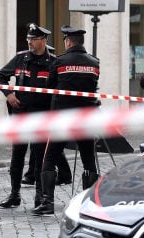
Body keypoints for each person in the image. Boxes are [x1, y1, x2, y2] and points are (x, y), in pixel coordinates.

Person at [34, 25, 100, 216]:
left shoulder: (60, 62)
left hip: (62, 118)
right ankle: (90, 204)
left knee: (50, 158)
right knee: (89, 160)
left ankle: (47, 203)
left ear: (69, 42)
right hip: (85, 120)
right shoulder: (94, 62)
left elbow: (50, 85)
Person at [0, 23, 54, 209]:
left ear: (43, 40)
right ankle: (14, 195)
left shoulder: (53, 63)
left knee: (38, 158)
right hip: (20, 116)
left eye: (33, 39)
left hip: (40, 117)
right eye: (28, 39)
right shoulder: (21, 59)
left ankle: (39, 197)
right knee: (17, 157)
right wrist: (9, 94)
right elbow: (0, 76)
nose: (29, 42)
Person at [22, 48, 72, 187]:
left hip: (50, 110)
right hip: (44, 111)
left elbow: (51, 85)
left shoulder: (53, 64)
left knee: (49, 147)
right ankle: (32, 174)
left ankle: (63, 174)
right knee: (40, 145)